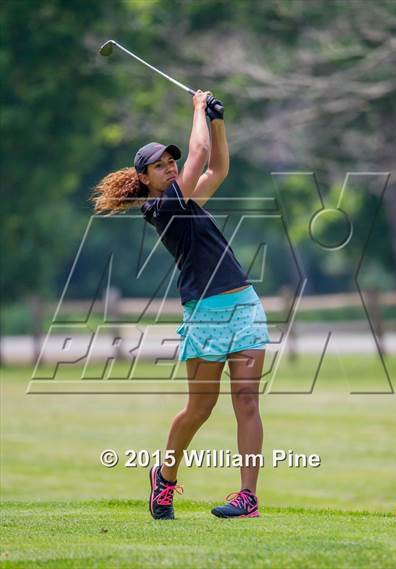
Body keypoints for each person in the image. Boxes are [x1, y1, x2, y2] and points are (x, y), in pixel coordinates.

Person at [92, 90, 270, 520]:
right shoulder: (163, 207)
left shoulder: (185, 200)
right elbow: (199, 152)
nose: (170, 166)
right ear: (145, 180)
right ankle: (164, 479)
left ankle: (248, 498)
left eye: (170, 161)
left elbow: (218, 167)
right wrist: (198, 111)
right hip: (205, 312)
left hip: (243, 303)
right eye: (160, 165)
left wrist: (219, 121)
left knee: (247, 400)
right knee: (200, 409)